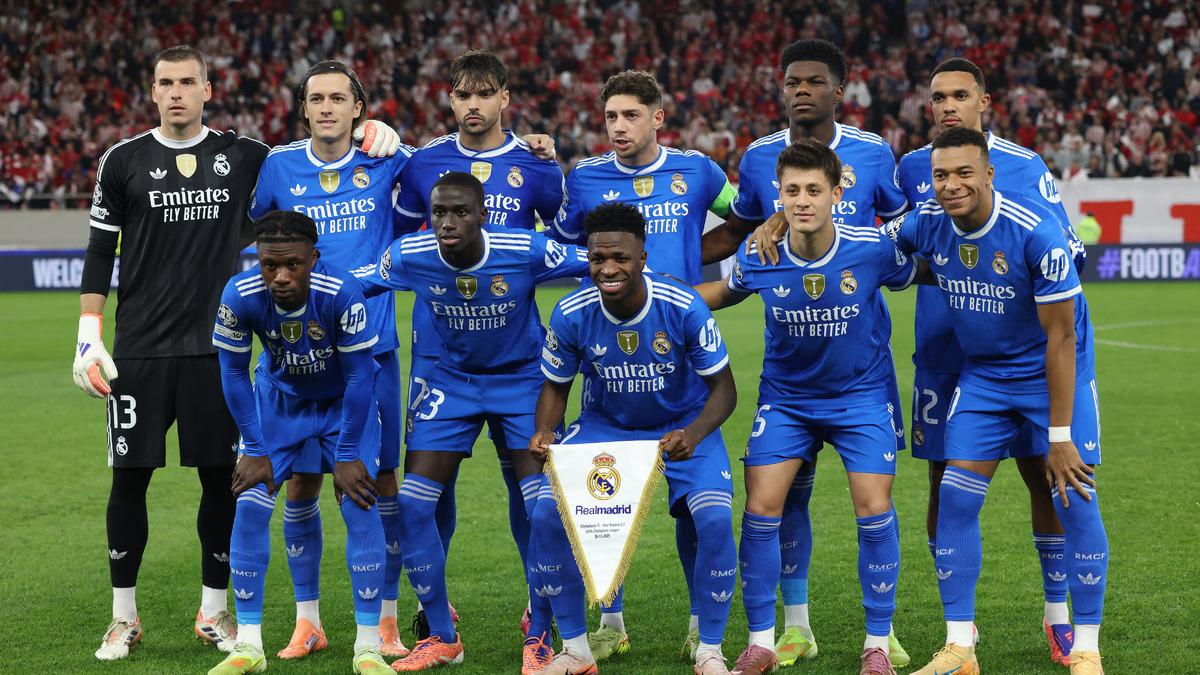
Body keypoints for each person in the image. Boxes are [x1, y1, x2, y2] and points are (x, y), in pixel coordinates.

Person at [73, 45, 404, 662]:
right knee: (132, 480)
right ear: (152, 90)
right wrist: (88, 331)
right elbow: (98, 248)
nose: (176, 92)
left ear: (208, 89)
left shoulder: (246, 155)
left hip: (241, 348)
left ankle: (225, 611)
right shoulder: (126, 160)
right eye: (166, 82)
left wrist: (376, 130)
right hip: (141, 350)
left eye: (187, 82)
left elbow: (348, 149)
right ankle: (124, 617)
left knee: (234, 483)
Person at [705, 38, 910, 667]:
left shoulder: (873, 185)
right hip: (788, 395)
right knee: (766, 507)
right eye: (789, 192)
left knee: (873, 508)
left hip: (861, 388)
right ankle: (770, 638)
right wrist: (647, 288)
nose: (800, 200)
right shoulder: (760, 184)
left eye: (814, 81)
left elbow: (913, 244)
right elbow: (728, 269)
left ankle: (879, 639)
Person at [888, 127, 1107, 675]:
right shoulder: (927, 221)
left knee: (1075, 495)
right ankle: (960, 647)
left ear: (989, 174)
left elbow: (1063, 339)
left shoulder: (1037, 234)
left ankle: (1086, 648)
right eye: (941, 175)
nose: (951, 185)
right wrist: (784, 223)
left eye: (964, 173)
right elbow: (869, 240)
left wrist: (1059, 437)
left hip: (1051, 373)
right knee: (955, 498)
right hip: (985, 377)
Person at [355, 172, 589, 672]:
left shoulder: (525, 249)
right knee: (412, 506)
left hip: (523, 382)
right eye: (439, 212)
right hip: (452, 382)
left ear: (483, 215)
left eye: (460, 212)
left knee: (542, 510)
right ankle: (442, 636)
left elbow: (602, 264)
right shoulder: (409, 254)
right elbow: (355, 285)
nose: (447, 222)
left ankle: (540, 633)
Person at [392, 50, 563, 655]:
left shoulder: (535, 165)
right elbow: (398, 242)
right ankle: (433, 614)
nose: (473, 105)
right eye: (462, 94)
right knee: (429, 493)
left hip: (518, 358)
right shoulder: (422, 162)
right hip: (440, 358)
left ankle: (540, 610)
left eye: (484, 93)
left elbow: (566, 240)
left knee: (530, 497)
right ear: (450, 99)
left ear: (504, 98)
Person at [248, 59, 415, 659]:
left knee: (379, 480)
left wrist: (399, 138)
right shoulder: (278, 166)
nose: (326, 107)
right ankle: (308, 621)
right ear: (303, 108)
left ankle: (387, 620)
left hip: (371, 349)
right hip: (299, 354)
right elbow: (256, 234)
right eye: (315, 98)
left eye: (338, 98)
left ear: (358, 108)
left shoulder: (386, 157)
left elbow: (443, 171)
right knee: (301, 483)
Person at [530, 202, 739, 675]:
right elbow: (555, 388)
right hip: (607, 424)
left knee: (712, 519)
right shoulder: (571, 312)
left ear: (642, 258)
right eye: (598, 258)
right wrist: (545, 430)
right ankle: (576, 649)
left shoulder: (682, 305)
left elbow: (724, 389)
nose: (608, 269)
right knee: (546, 512)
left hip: (684, 422)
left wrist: (694, 433)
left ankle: (709, 650)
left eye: (620, 258)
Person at [208, 209, 390, 674]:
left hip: (342, 403)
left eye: (292, 264)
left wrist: (346, 454)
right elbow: (233, 373)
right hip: (280, 403)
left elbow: (360, 378)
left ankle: (368, 647)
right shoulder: (240, 294)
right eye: (269, 265)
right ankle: (249, 645)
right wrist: (254, 447)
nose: (280, 277)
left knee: (360, 501)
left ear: (314, 258)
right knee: (250, 502)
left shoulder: (342, 292)